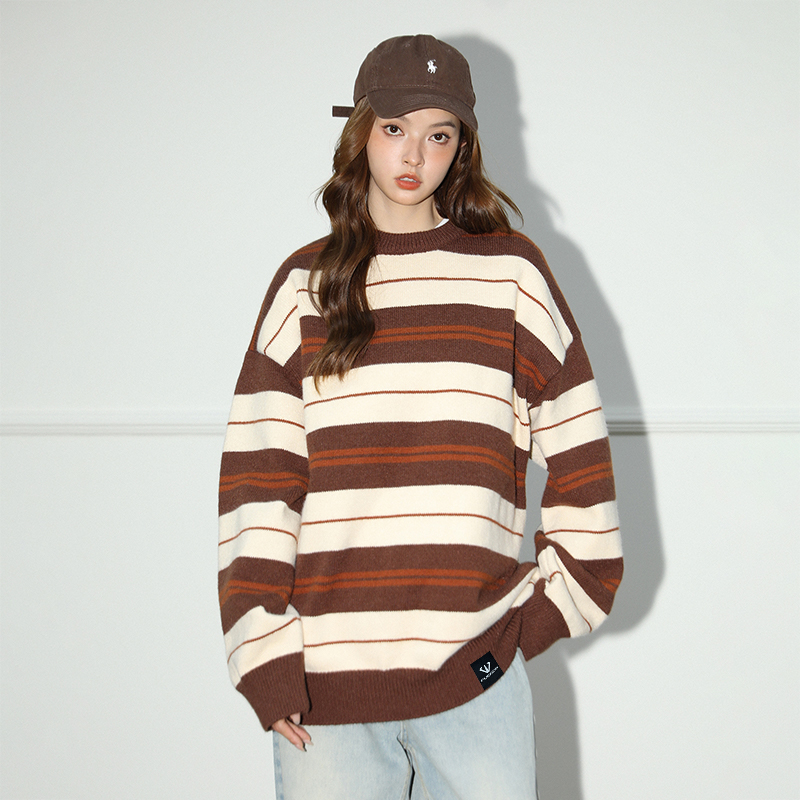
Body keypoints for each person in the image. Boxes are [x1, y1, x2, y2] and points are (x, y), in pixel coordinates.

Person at [218, 34, 623, 799]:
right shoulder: (304, 286)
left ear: (461, 147)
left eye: (439, 135)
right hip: (324, 692)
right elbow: (258, 483)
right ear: (361, 132)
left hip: (476, 685)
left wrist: (524, 631)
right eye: (395, 128)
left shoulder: (510, 275)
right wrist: (261, 657)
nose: (414, 155)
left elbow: (581, 451)